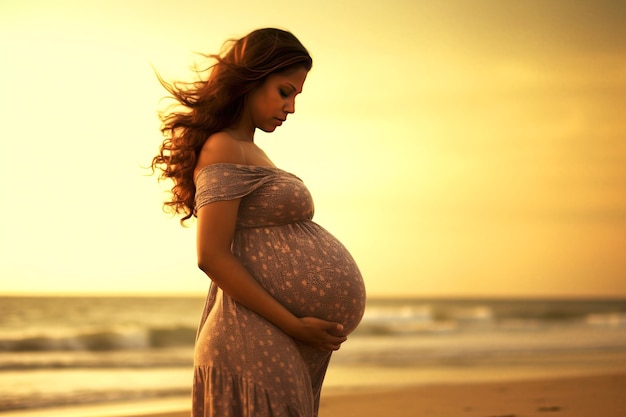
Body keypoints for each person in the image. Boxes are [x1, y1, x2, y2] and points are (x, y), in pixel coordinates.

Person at [151, 28, 366, 417]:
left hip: (272, 338)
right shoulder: (223, 147)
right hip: (251, 339)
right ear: (250, 80)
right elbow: (211, 257)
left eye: (297, 95)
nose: (292, 107)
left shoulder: (250, 150)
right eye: (285, 91)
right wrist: (294, 325)